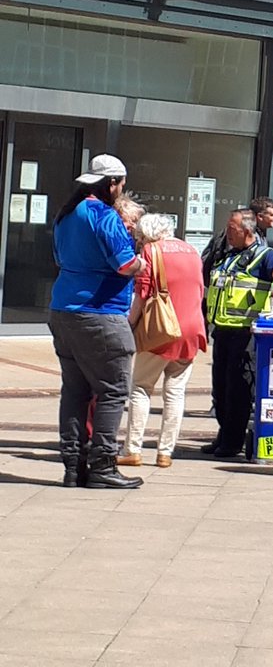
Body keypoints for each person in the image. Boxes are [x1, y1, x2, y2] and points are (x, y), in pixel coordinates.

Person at [48, 153, 145, 489]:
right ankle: (103, 466)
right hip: (100, 313)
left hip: (63, 310)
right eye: (120, 184)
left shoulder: (66, 214)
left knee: (74, 391)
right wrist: (140, 264)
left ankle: (73, 466)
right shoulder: (104, 216)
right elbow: (124, 264)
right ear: (112, 184)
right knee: (113, 390)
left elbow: (60, 259)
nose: (121, 190)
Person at [118, 213, 207, 469]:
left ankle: (132, 449)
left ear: (146, 234)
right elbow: (200, 289)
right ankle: (165, 452)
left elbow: (142, 293)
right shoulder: (191, 251)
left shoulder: (150, 251)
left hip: (160, 330)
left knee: (140, 388)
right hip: (191, 329)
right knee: (176, 393)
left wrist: (130, 323)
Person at [204, 209, 273, 458]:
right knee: (220, 388)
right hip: (222, 331)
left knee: (237, 390)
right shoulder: (229, 255)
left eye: (233, 229)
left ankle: (232, 442)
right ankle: (224, 435)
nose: (228, 233)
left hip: (245, 334)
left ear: (248, 231)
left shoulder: (264, 255)